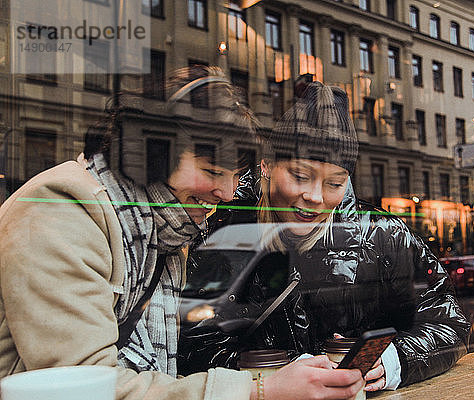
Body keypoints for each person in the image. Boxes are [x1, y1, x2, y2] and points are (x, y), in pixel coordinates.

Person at [0, 68, 363, 400]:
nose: (227, 192)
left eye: (236, 176)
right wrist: (260, 390)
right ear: (154, 153)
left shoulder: (168, 232)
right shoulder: (63, 210)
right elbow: (83, 387)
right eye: (212, 171)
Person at [183, 81, 471, 390]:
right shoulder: (220, 227)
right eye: (300, 176)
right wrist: (268, 381)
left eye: (335, 184)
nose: (315, 197)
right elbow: (193, 342)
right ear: (266, 165)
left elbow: (447, 320)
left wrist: (395, 359)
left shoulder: (383, 236)